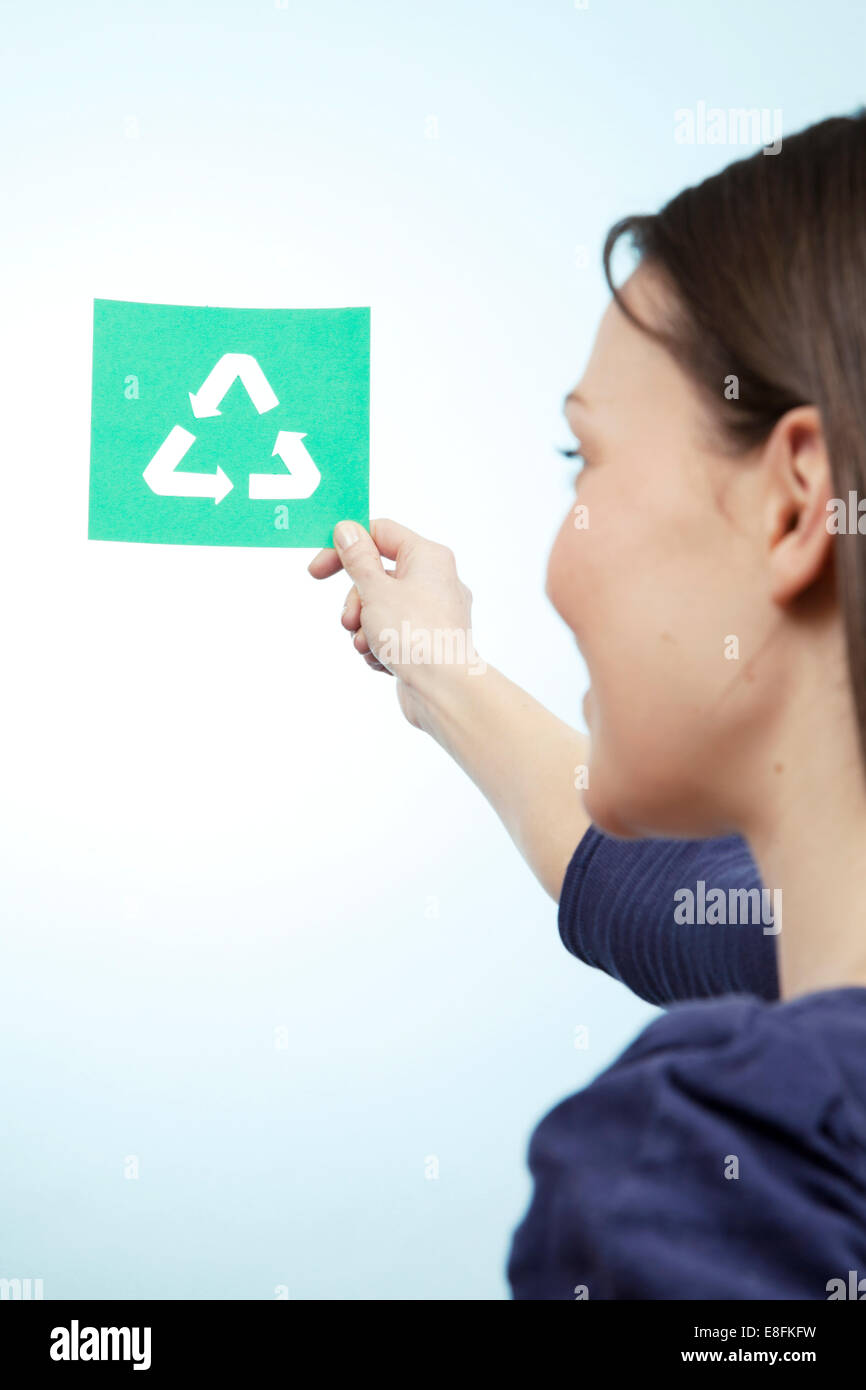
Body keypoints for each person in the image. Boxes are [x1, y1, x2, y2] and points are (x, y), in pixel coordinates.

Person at [308, 108, 866, 1299]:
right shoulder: (781, 955)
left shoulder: (732, 1171)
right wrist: (440, 668)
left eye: (586, 461)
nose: (557, 561)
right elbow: (689, 906)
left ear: (791, 501)